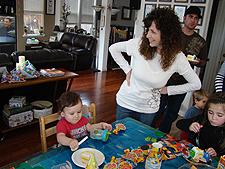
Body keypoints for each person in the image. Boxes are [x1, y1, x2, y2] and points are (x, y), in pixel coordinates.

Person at [109, 8, 201, 126]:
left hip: (149, 109)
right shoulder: (139, 44)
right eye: (148, 30)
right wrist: (127, 70)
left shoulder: (177, 58)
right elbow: (113, 49)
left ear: (166, 34)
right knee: (120, 138)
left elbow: (196, 84)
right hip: (126, 101)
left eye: (153, 31)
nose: (148, 35)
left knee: (142, 141)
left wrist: (168, 90)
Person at [151, 6, 208, 133]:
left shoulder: (200, 41)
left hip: (182, 83)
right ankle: (149, 131)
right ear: (184, 18)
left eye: (196, 18)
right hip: (165, 78)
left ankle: (162, 135)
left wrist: (198, 62)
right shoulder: (173, 36)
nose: (193, 20)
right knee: (157, 108)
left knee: (172, 112)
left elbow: (203, 62)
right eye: (190, 16)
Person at [176, 92, 225, 157]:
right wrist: (190, 126)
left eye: (219, 115)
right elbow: (179, 123)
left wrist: (216, 154)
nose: (213, 118)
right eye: (210, 112)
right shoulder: (203, 119)